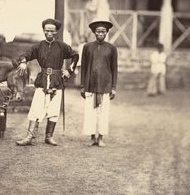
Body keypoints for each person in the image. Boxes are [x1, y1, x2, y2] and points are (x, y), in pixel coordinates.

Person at [15, 18, 79, 146]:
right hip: (43, 80)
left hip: (56, 80)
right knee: (36, 107)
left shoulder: (62, 46)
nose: (49, 33)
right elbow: (25, 55)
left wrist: (69, 71)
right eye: (47, 30)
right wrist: (23, 62)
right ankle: (29, 136)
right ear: (43, 31)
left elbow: (75, 55)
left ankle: (49, 136)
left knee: (54, 109)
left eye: (52, 31)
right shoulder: (39, 46)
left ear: (56, 32)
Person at [80, 20, 118, 147]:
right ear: (94, 32)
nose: (100, 33)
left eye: (103, 31)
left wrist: (113, 87)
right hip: (90, 84)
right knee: (90, 113)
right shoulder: (87, 47)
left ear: (107, 32)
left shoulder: (112, 48)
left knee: (103, 113)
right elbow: (84, 68)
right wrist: (82, 86)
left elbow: (114, 69)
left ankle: (100, 137)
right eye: (98, 31)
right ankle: (92, 137)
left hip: (105, 85)